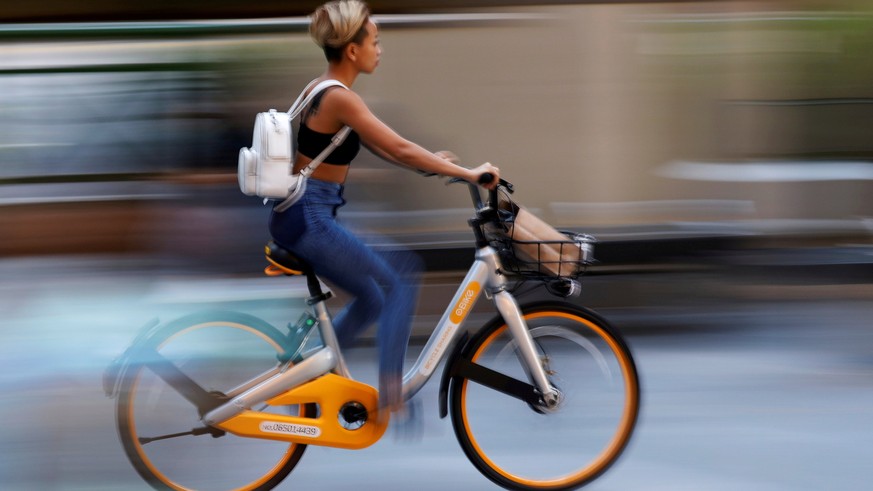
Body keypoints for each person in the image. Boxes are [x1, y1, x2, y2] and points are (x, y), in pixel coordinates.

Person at [269, 0, 500, 417]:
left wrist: (440, 165)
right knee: (403, 276)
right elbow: (398, 146)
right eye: (375, 41)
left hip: (298, 216)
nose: (381, 49)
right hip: (310, 219)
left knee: (373, 298)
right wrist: (469, 173)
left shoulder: (320, 89)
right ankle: (392, 394)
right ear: (353, 50)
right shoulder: (339, 97)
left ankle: (311, 374)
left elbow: (384, 147)